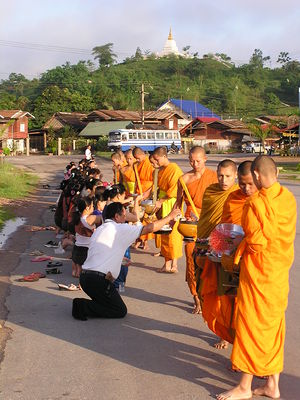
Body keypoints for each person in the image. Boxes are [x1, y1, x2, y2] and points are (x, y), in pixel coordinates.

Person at [217, 155, 297, 400]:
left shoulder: (255, 204)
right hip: (279, 273)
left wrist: (237, 248)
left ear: (258, 177)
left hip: (259, 275)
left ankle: (244, 386)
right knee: (273, 327)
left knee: (251, 327)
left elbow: (256, 244)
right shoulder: (288, 198)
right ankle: (273, 385)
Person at [72, 202, 181, 320]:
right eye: (124, 215)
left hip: (86, 278)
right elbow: (150, 228)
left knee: (109, 303)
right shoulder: (120, 228)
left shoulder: (100, 229)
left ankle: (86, 305)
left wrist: (120, 260)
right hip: (97, 281)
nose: (125, 218)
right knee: (119, 310)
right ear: (116, 216)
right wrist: (170, 216)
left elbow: (102, 252)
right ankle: (82, 305)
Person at [202, 161, 258, 350]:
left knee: (249, 306)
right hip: (229, 257)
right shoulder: (232, 198)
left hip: (253, 260)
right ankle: (227, 335)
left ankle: (247, 345)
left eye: (250, 183)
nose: (246, 188)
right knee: (227, 300)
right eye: (243, 183)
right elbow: (224, 227)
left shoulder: (263, 200)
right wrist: (216, 247)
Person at [174, 146, 217, 313]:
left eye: (198, 160)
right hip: (191, 226)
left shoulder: (214, 177)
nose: (195, 164)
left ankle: (209, 297)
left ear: (205, 159)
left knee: (209, 263)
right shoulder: (184, 179)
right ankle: (196, 298)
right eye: (191, 160)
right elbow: (178, 203)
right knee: (192, 263)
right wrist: (175, 219)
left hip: (210, 223)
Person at [195, 159, 238, 316]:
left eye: (228, 176)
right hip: (204, 242)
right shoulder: (210, 191)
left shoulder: (238, 195)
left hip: (225, 247)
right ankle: (208, 312)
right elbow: (206, 218)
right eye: (220, 176)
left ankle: (223, 332)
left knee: (223, 290)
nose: (224, 180)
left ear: (235, 175)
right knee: (202, 286)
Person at [152, 146, 183, 273]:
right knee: (164, 234)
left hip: (171, 203)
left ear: (164, 156)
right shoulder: (162, 170)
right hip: (162, 203)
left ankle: (173, 264)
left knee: (173, 234)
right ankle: (167, 264)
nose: (156, 163)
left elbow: (175, 191)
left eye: (157, 160)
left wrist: (161, 201)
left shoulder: (174, 169)